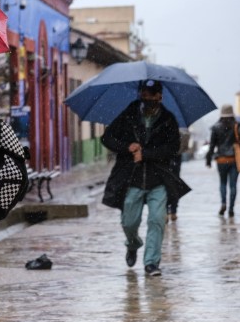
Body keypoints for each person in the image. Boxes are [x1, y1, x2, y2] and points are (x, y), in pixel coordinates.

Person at [102, 79, 189, 277]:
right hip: (131, 179)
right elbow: (107, 138)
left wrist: (147, 154)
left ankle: (151, 262)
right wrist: (127, 147)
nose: (147, 97)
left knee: (157, 220)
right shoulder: (128, 114)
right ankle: (133, 244)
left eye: (151, 94)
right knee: (129, 222)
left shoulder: (168, 119)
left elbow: (173, 148)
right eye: (144, 93)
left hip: (158, 180)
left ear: (160, 96)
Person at [206, 104, 239, 217]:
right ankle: (231, 209)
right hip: (234, 159)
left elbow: (212, 146)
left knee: (223, 183)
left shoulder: (216, 127)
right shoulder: (236, 126)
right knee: (233, 185)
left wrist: (208, 160)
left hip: (221, 159)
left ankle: (223, 203)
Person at [166, 127, 191, 221]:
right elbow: (185, 148)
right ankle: (173, 211)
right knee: (174, 184)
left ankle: (165, 211)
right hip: (176, 160)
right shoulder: (182, 132)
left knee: (165, 185)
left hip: (165, 160)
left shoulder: (162, 127)